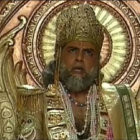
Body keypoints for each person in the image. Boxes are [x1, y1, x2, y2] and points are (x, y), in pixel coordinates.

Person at [16, 4, 140, 140]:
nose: (79, 58)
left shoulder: (117, 101)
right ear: (59, 55)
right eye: (73, 50)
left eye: (88, 52)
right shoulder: (37, 103)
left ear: (97, 61)